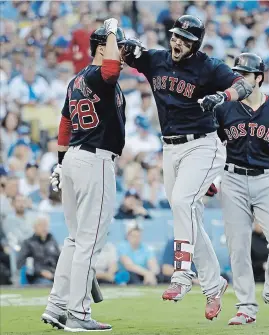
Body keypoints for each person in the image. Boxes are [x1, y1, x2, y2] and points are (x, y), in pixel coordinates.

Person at [121, 14, 253, 320]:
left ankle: (182, 276)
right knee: (189, 214)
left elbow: (243, 85)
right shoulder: (156, 60)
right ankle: (213, 284)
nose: (177, 42)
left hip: (203, 144)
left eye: (185, 39)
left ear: (196, 43)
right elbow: (128, 55)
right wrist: (125, 47)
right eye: (175, 36)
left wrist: (223, 95)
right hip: (170, 147)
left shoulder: (208, 66)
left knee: (181, 202)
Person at [41, 18, 127, 332]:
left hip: (75, 158)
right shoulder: (101, 74)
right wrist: (114, 29)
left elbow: (65, 124)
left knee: (75, 240)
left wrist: (61, 162)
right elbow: (111, 69)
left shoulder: (77, 79)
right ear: (103, 47)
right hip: (95, 160)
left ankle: (57, 305)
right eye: (116, 45)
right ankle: (78, 311)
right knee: (88, 242)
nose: (121, 51)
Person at [210, 53, 269, 325]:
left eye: (245, 74)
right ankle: (245, 307)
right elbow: (212, 147)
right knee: (238, 247)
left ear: (259, 78)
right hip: (232, 180)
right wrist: (209, 178)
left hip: (266, 179)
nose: (239, 78)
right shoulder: (224, 108)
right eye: (237, 73)